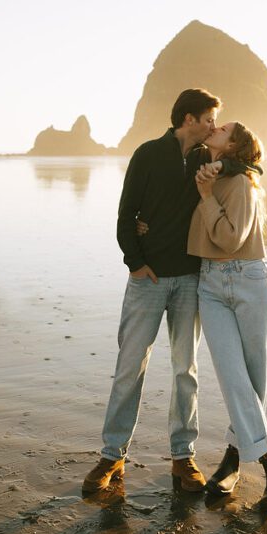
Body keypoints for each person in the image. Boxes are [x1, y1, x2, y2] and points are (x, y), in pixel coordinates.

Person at [82, 88, 221, 495]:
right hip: (147, 280)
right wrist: (135, 262)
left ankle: (183, 457)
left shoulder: (207, 161)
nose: (213, 125)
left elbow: (249, 165)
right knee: (130, 367)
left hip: (190, 280)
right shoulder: (147, 154)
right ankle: (112, 455)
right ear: (190, 118)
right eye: (209, 118)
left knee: (185, 371)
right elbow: (127, 214)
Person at [189, 121, 267, 512]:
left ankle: (233, 462)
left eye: (224, 127)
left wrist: (205, 194)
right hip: (210, 284)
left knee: (251, 381)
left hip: (248, 281)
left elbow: (230, 238)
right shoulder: (205, 173)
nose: (215, 125)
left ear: (234, 145)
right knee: (234, 378)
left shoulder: (244, 183)